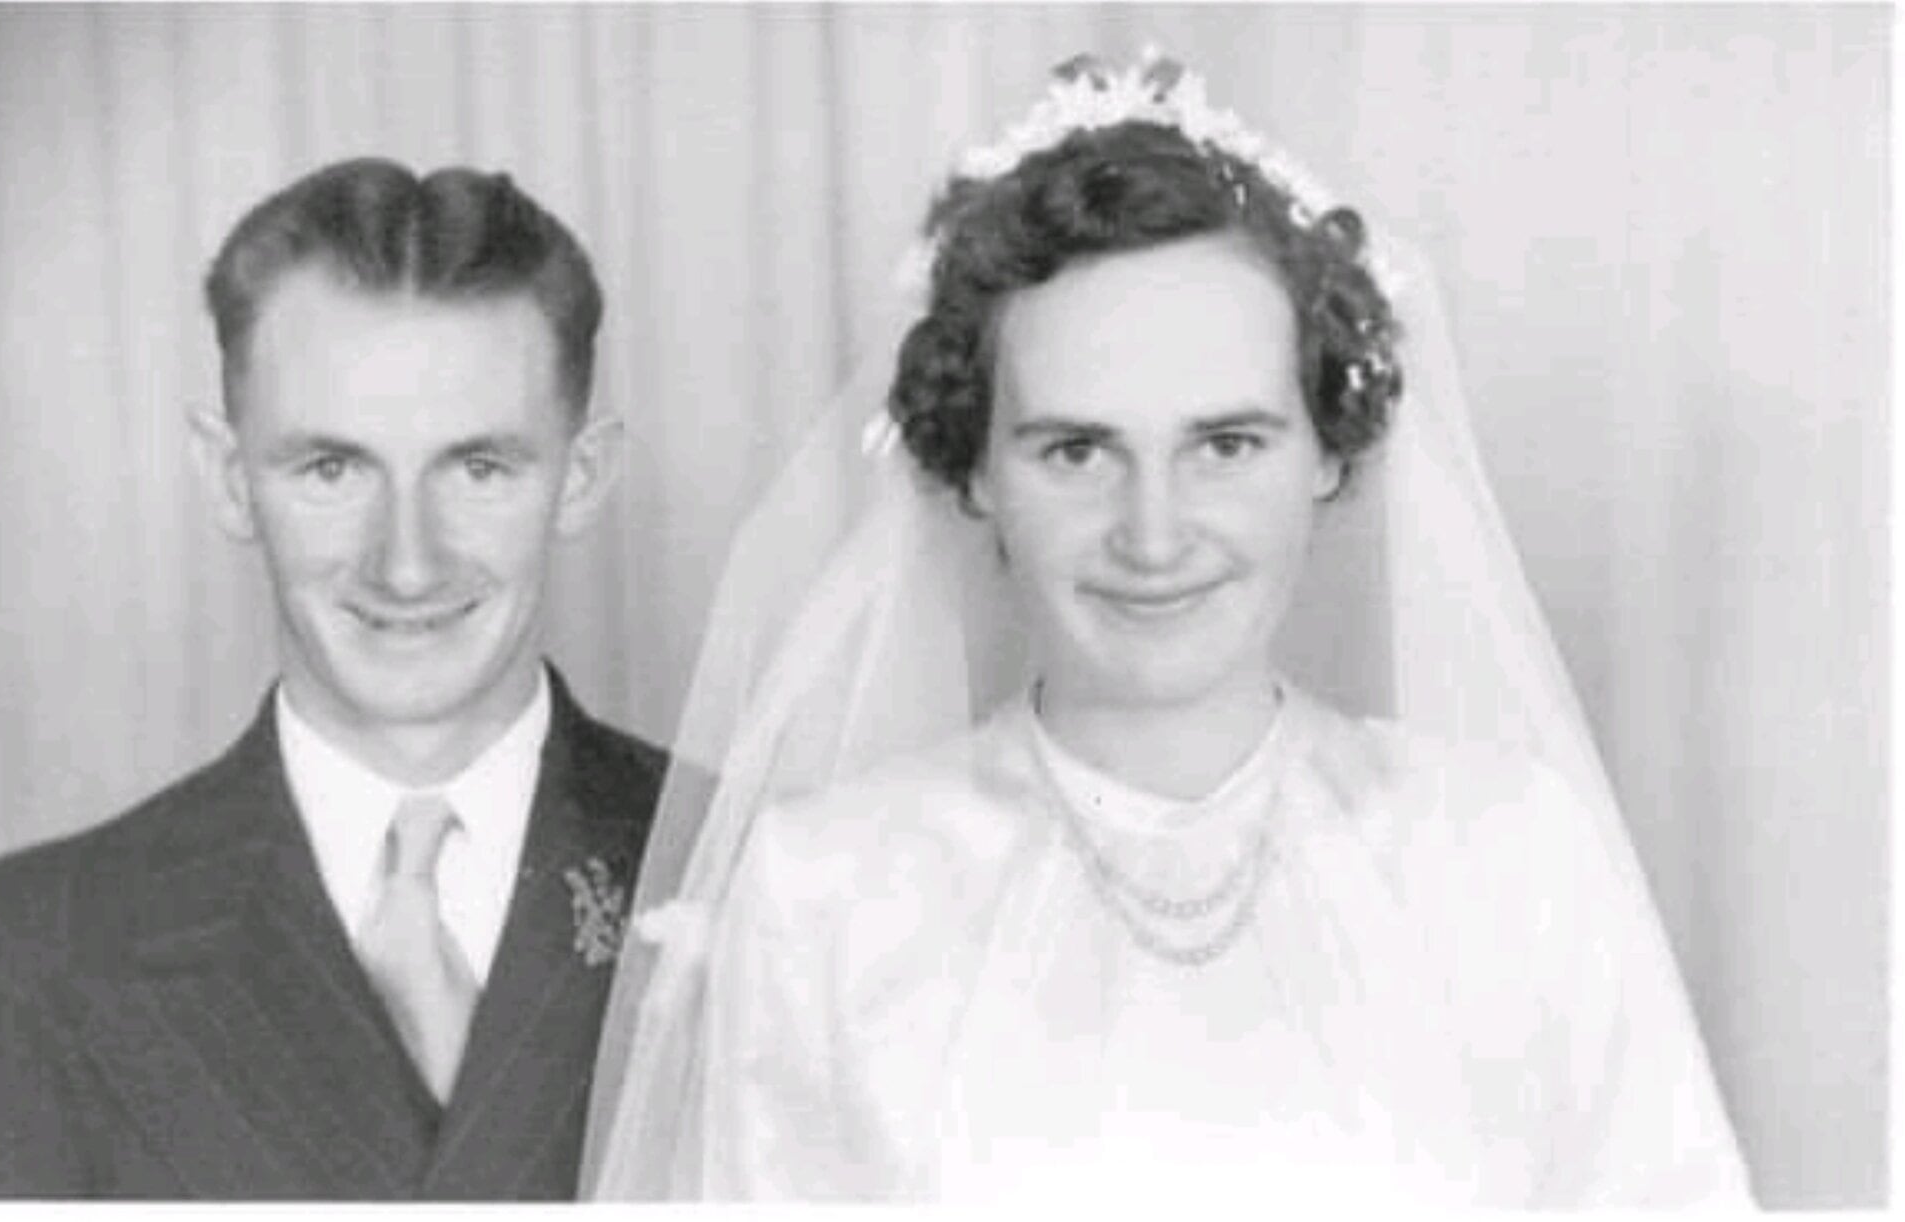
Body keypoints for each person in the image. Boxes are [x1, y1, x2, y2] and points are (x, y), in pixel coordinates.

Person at [582, 53, 1755, 1206]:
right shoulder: (823, 896)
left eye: (1224, 444)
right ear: (973, 467)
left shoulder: (1507, 858)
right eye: (1076, 450)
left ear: (1328, 451)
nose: (1152, 533)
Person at [0, 158, 662, 1199]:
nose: (408, 562)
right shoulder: (45, 948)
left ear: (580, 478)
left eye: (478, 468)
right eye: (331, 468)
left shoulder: (752, 870)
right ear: (229, 480)